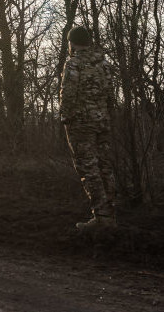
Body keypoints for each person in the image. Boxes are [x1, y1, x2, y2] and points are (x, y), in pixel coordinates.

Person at [60, 26, 117, 230]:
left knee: (89, 168)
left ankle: (101, 218)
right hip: (103, 122)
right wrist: (106, 115)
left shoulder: (73, 63)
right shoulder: (103, 64)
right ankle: (109, 215)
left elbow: (68, 94)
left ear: (72, 43)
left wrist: (66, 118)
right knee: (104, 167)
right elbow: (111, 94)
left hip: (82, 123)